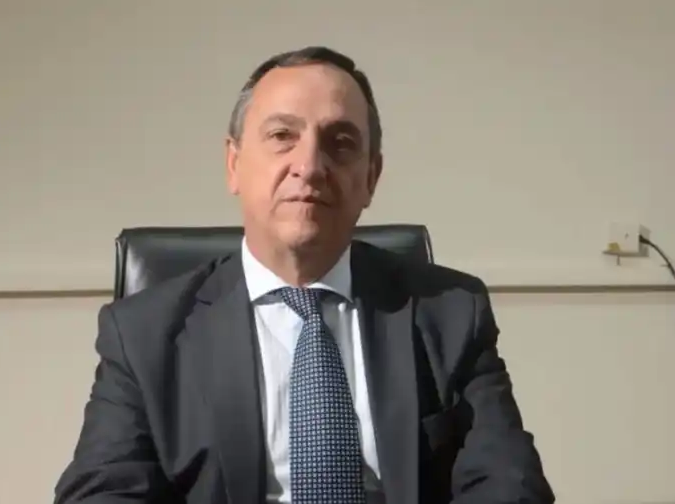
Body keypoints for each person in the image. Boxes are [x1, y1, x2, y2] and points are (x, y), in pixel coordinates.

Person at [54, 46, 554, 504]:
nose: (310, 165)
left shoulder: (452, 313)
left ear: (370, 178)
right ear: (234, 164)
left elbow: (509, 486)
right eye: (282, 136)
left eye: (340, 142)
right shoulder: (143, 334)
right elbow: (102, 494)